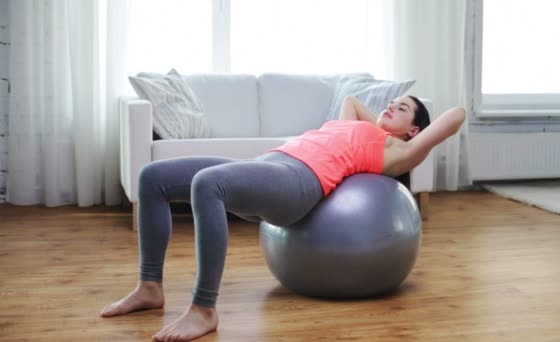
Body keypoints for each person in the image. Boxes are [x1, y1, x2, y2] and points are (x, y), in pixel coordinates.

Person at [100, 93, 466, 341]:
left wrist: (406, 134)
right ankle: (149, 288)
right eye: (390, 102)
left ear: (415, 130)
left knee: (207, 184)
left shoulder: (401, 152)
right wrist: (385, 120)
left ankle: (204, 309)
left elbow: (457, 115)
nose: (389, 106)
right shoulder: (366, 129)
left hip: (297, 183)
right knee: (153, 178)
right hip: (270, 163)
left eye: (401, 108)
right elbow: (351, 102)